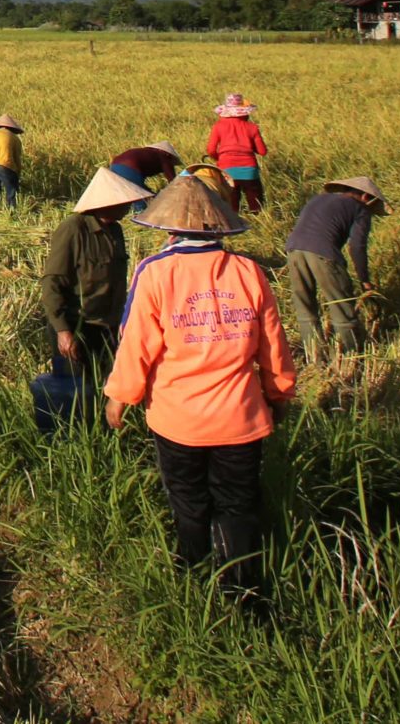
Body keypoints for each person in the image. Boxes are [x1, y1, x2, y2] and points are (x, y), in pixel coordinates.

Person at [103, 177, 298, 605]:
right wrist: (280, 393)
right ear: (219, 230)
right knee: (238, 506)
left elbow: (137, 345)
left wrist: (120, 397)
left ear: (169, 230)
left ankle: (194, 581)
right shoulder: (249, 272)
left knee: (189, 503)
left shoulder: (155, 273)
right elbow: (273, 344)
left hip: (178, 421)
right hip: (241, 418)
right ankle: (244, 593)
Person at [34, 168, 151, 428]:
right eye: (124, 202)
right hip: (77, 326)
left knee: (106, 387)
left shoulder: (116, 231)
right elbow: (53, 282)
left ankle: (102, 432)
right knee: (76, 393)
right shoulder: (73, 229)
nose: (128, 206)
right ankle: (76, 439)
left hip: (107, 326)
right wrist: (64, 331)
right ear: (107, 202)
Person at [282, 176, 385, 362]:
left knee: (305, 306)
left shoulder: (318, 199)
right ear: (365, 197)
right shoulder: (360, 209)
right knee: (342, 306)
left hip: (294, 250)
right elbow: (357, 247)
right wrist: (365, 280)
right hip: (324, 253)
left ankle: (315, 358)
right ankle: (351, 357)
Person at [203, 93, 269, 213]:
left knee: (231, 207)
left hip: (226, 170)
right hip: (249, 170)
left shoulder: (218, 127)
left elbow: (211, 150)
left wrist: (220, 158)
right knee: (256, 204)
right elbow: (262, 151)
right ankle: (256, 223)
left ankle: (234, 227)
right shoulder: (252, 127)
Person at [110, 142, 180, 190]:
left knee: (129, 194)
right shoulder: (163, 157)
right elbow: (173, 181)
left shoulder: (146, 153)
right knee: (142, 199)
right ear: (168, 154)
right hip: (129, 167)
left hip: (114, 166)